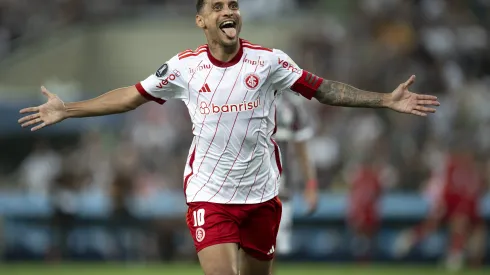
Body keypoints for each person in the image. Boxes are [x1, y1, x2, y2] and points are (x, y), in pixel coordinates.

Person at [18, 0, 440, 274]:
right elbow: (131, 96)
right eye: (218, 5)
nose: (229, 10)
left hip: (261, 195)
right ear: (201, 20)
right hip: (210, 195)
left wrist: (385, 99)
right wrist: (68, 109)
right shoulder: (183, 67)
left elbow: (323, 89)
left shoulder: (270, 61)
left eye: (234, 4)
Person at [394, 145, 485, 271]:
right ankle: (411, 239)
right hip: (448, 204)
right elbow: (442, 186)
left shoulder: (473, 172)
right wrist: (439, 202)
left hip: (464, 209)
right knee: (435, 226)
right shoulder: (451, 166)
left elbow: (475, 193)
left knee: (466, 229)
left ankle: (457, 257)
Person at [274, 91, 318, 259]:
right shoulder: (244, 94)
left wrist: (311, 185)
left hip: (280, 189)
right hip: (246, 186)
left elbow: (302, 150)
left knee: (272, 249)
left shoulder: (291, 104)